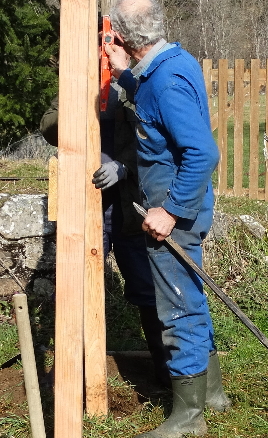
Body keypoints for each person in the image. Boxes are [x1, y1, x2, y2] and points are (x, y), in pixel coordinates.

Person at [105, 0, 229, 438]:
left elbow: (202, 153)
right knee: (189, 296)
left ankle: (188, 415)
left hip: (175, 214)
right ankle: (212, 394)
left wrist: (170, 211)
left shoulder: (166, 80)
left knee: (177, 306)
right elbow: (155, 110)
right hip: (180, 209)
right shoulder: (169, 64)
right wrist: (123, 73)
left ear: (120, 34)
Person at [38, 85, 171, 391]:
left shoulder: (134, 84)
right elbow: (48, 127)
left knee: (148, 290)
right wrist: (79, 102)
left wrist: (124, 167)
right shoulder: (77, 79)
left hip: (130, 205)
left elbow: (155, 139)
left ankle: (166, 375)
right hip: (87, 204)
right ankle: (68, 375)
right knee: (75, 289)